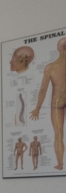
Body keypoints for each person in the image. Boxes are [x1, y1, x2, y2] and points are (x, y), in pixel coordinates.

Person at [30, 37, 66, 170]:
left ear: (58, 49)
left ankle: (61, 164)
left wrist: (37, 108)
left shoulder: (51, 67)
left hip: (57, 101)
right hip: (57, 100)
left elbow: (43, 90)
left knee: (58, 134)